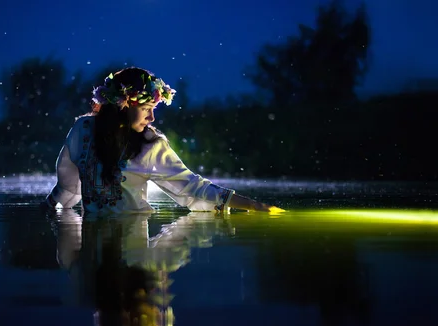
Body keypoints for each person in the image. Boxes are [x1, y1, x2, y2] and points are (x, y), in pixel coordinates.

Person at [42, 66, 284, 215]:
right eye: (147, 107)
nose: (152, 116)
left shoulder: (150, 143)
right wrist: (49, 209)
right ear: (123, 104)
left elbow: (192, 185)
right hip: (94, 247)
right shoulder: (83, 129)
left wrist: (256, 206)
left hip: (132, 241)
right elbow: (68, 185)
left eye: (154, 107)